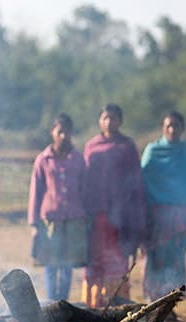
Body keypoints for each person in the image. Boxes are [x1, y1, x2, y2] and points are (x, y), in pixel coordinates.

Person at [82, 103, 146, 307]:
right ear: (100, 121)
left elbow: (136, 183)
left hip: (121, 215)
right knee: (96, 260)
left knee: (117, 261)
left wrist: (136, 216)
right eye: (105, 118)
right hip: (96, 214)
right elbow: (85, 181)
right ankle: (93, 307)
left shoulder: (127, 146)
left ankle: (117, 305)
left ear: (120, 121)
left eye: (114, 118)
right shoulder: (91, 146)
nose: (109, 122)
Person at [140, 110, 186, 301]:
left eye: (176, 125)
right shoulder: (153, 151)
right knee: (155, 261)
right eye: (168, 125)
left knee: (175, 261)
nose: (172, 129)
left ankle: (170, 306)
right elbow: (141, 182)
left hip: (180, 218)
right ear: (163, 128)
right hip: (156, 217)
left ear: (182, 128)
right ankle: (154, 305)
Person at [28, 113, 87, 302]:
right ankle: (52, 302)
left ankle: (63, 302)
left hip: (74, 219)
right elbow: (35, 192)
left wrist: (88, 218)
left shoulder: (78, 159)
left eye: (67, 132)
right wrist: (33, 224)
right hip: (50, 219)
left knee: (68, 265)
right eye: (59, 131)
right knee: (51, 264)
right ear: (52, 132)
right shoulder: (43, 159)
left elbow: (85, 189)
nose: (63, 136)